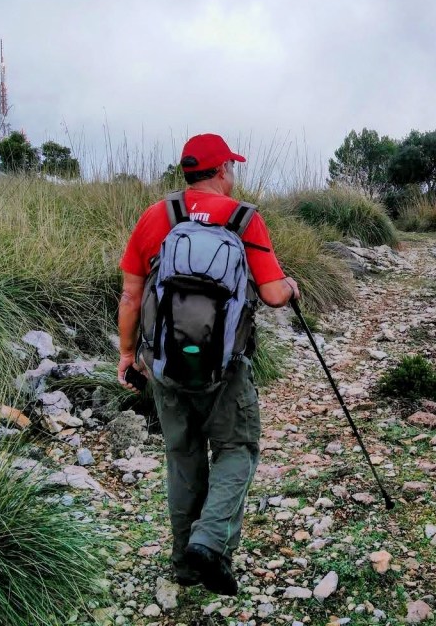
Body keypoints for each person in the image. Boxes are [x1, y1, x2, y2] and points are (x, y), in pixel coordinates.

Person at [116, 133, 299, 595]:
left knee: (183, 457)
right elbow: (274, 295)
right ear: (220, 171)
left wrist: (126, 355)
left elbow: (131, 296)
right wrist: (293, 287)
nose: (232, 176)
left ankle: (183, 563)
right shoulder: (243, 219)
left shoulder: (156, 217)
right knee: (237, 449)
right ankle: (211, 540)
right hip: (226, 369)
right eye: (230, 168)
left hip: (165, 366)